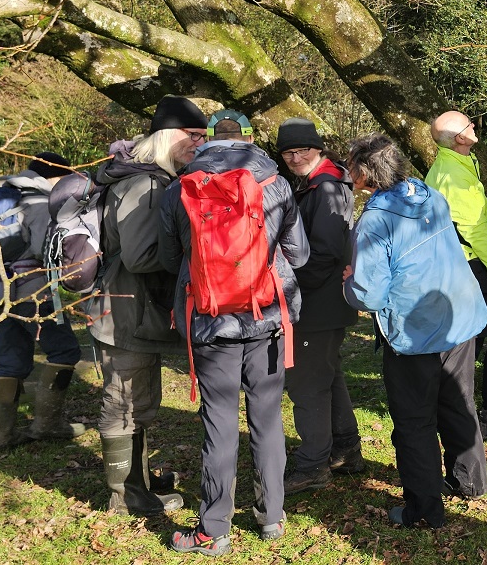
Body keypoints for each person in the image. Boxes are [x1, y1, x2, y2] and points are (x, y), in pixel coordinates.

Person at [161, 110, 308, 555]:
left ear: (206, 139)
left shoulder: (179, 188)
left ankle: (214, 529)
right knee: (267, 419)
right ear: (249, 137)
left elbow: (171, 259)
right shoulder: (276, 184)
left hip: (209, 320)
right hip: (266, 319)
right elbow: (298, 255)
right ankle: (272, 518)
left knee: (219, 425)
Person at [343, 133, 487, 527]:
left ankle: (424, 510)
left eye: (351, 164)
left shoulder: (375, 219)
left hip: (416, 331)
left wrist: (349, 280)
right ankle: (470, 480)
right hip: (458, 314)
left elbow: (369, 295)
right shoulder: (427, 193)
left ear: (363, 173)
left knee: (414, 421)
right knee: (458, 402)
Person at [88, 95, 205, 515]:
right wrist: (191, 250)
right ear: (168, 136)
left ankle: (138, 480)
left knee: (139, 401)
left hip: (131, 310)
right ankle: (125, 496)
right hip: (124, 313)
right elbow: (140, 256)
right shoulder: (146, 183)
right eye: (192, 135)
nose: (199, 142)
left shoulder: (150, 177)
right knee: (124, 403)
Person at [277, 119, 364, 494]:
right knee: (327, 375)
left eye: (303, 150)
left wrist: (292, 289)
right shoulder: (320, 182)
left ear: (319, 149)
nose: (296, 158)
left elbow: (324, 252)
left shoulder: (326, 186)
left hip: (317, 302)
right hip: (325, 302)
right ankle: (345, 450)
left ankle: (313, 465)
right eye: (288, 152)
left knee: (306, 384)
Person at [0, 151, 85, 455]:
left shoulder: (8, 199)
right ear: (54, 176)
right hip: (33, 292)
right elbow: (45, 252)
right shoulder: (39, 203)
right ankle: (47, 424)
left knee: (10, 360)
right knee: (66, 350)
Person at [425, 111, 487, 429]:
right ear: (460, 138)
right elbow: (475, 233)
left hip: (465, 266)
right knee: (467, 348)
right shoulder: (454, 174)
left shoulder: (458, 163)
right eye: (469, 124)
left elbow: (476, 213)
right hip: (469, 268)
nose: (474, 125)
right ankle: (461, 418)